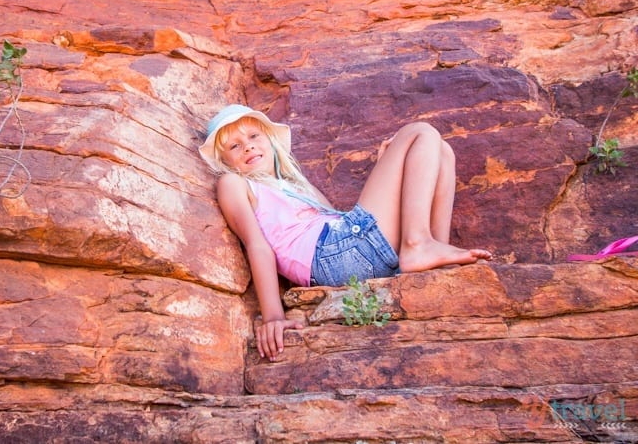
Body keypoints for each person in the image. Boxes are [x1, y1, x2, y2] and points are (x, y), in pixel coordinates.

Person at [199, 104, 491, 361]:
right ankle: (418, 244)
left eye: (253, 136)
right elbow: (257, 245)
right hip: (333, 257)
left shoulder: (297, 186)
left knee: (441, 150)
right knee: (420, 132)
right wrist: (274, 317)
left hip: (346, 248)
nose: (248, 147)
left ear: (271, 142)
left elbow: (339, 220)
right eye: (234, 146)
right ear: (224, 161)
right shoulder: (234, 184)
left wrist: (387, 169)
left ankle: (433, 248)